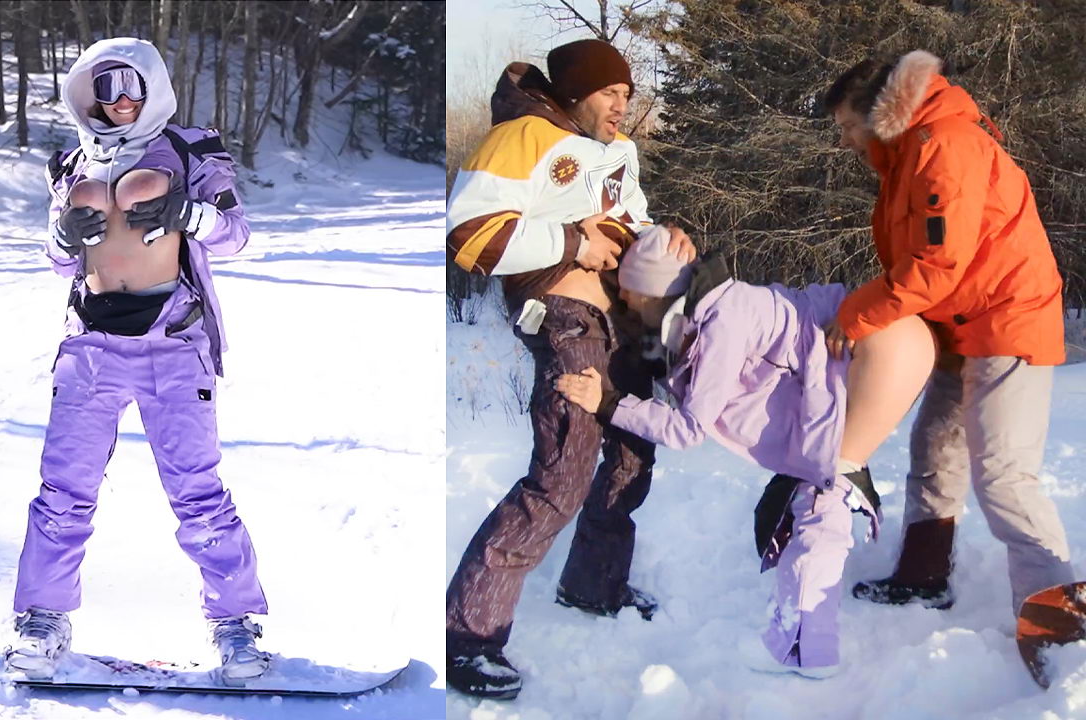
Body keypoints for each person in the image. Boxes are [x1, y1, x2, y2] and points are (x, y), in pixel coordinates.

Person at [556, 226, 936, 677]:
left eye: (627, 294)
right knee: (821, 487)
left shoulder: (724, 322)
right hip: (887, 339)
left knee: (822, 493)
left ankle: (803, 651)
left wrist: (608, 403)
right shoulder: (718, 304)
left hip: (885, 346)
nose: (623, 301)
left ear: (652, 290)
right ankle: (807, 644)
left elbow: (688, 428)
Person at [4, 37, 268, 683]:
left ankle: (235, 626)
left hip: (173, 345)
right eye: (107, 89)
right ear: (87, 95)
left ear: (152, 87)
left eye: (132, 87)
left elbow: (235, 235)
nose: (121, 101)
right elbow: (62, 260)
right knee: (63, 494)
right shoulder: (70, 163)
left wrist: (189, 211)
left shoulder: (188, 149)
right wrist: (63, 235)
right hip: (91, 347)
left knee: (199, 495)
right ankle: (43, 620)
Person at [444, 38, 694, 700]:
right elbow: (468, 233)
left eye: (627, 96)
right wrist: (569, 241)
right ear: (578, 91)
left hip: (624, 322)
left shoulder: (617, 152)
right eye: (611, 94)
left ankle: (595, 586)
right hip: (566, 318)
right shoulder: (523, 136)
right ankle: (465, 636)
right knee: (561, 474)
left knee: (631, 456)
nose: (622, 107)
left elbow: (629, 221)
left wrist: (662, 239)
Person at [822, 50, 1075, 614]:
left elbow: (936, 264)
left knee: (1004, 475)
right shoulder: (908, 152)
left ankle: (1058, 610)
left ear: (875, 111)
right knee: (935, 448)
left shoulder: (944, 145)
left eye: (845, 127)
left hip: (1008, 319)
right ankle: (922, 574)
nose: (843, 142)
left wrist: (853, 317)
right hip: (960, 325)